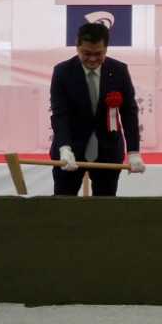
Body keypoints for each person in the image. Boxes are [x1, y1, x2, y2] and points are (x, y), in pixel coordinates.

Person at [49, 22, 145, 196]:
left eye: (98, 54)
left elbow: (129, 112)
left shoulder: (119, 70)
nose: (92, 59)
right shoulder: (63, 72)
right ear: (77, 46)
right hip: (71, 150)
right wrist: (64, 148)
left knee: (104, 206)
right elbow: (60, 113)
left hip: (108, 151)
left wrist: (134, 151)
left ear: (106, 49)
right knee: (63, 204)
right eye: (86, 53)